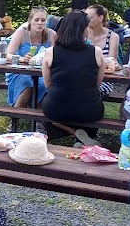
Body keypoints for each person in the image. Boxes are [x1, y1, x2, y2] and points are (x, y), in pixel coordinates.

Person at [41, 10, 104, 145]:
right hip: (89, 110)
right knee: (88, 105)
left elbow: (48, 84)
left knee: (46, 104)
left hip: (56, 108)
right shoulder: (96, 52)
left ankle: (72, 133)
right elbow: (97, 83)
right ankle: (84, 136)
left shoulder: (50, 52)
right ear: (83, 30)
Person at [5, 7, 55, 109]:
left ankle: (38, 117)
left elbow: (57, 56)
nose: (40, 23)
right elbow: (7, 55)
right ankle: (15, 117)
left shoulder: (52, 35)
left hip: (42, 72)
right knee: (27, 87)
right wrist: (21, 59)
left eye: (43, 20)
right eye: (36, 20)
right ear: (30, 21)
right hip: (20, 71)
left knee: (46, 88)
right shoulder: (21, 33)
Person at [85, 4, 119, 98]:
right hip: (83, 77)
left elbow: (111, 62)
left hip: (105, 80)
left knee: (88, 92)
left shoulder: (113, 36)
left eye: (90, 18)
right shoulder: (83, 34)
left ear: (100, 18)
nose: (86, 20)